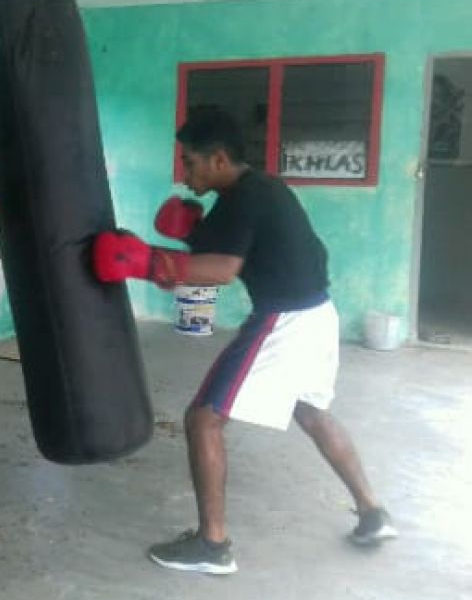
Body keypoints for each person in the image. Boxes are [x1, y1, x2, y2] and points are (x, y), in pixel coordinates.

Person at [91, 105, 396, 575]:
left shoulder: (246, 198)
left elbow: (221, 269)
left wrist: (149, 264)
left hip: (286, 320)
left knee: (202, 419)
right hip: (319, 314)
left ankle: (213, 546)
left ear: (217, 160)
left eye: (189, 162)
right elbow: (221, 247)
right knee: (312, 412)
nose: (184, 172)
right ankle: (373, 513)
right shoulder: (260, 190)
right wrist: (186, 237)